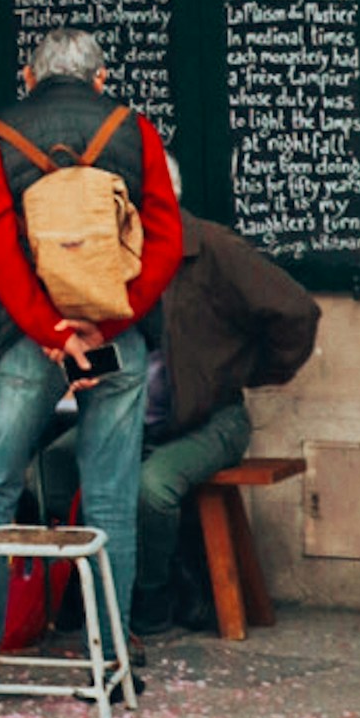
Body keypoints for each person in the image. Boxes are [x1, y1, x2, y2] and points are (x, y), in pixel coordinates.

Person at [0, 28, 182, 677]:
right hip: (116, 334)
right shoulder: (133, 130)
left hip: (28, 341)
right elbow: (163, 243)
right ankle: (109, 653)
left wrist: (52, 332)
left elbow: (0, 253)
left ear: (27, 78)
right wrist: (106, 326)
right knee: (110, 495)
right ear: (100, 79)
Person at [133, 210, 319, 632]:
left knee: (152, 488)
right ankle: (68, 597)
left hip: (211, 419)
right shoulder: (113, 251)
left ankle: (153, 597)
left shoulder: (211, 247)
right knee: (52, 465)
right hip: (132, 419)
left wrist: (254, 370)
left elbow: (296, 311)